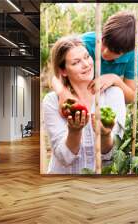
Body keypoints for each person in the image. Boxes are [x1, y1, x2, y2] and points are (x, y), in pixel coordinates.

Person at [43, 35, 126, 174]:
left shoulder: (114, 94)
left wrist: (105, 135)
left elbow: (112, 155)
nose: (86, 64)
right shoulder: (52, 101)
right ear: (63, 71)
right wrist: (74, 132)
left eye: (87, 57)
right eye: (76, 63)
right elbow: (64, 158)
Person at [51, 11, 138, 111]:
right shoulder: (85, 42)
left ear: (126, 52)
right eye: (104, 42)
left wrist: (115, 79)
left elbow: (131, 97)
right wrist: (63, 93)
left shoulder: (132, 55)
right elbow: (57, 75)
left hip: (104, 103)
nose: (105, 52)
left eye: (114, 51)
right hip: (78, 98)